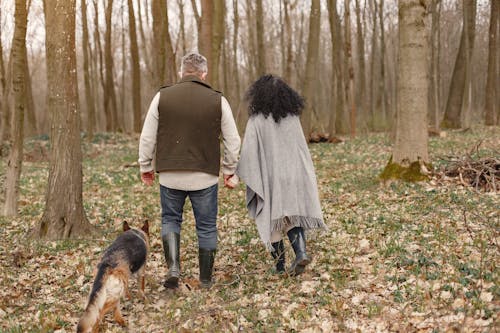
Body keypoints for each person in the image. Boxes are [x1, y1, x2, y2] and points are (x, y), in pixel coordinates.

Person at [138, 53, 241, 289]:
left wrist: (145, 166)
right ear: (204, 74)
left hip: (171, 173)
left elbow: (147, 136)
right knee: (206, 226)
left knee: (170, 220)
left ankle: (173, 268)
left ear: (181, 72)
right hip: (204, 175)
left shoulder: (162, 97)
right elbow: (233, 140)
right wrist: (228, 169)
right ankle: (205, 279)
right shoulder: (218, 100)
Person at [236, 74, 326, 276]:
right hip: (294, 175)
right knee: (291, 216)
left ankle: (279, 268)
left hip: (271, 178)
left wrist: (241, 173)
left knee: (272, 219)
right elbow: (301, 149)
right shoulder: (292, 118)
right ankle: (300, 252)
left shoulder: (257, 120)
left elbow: (249, 152)